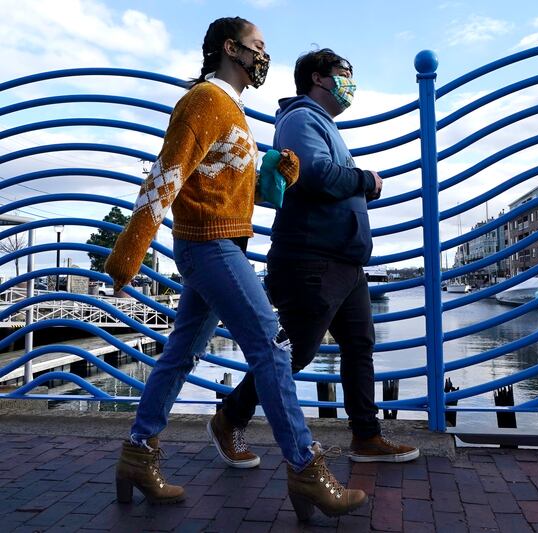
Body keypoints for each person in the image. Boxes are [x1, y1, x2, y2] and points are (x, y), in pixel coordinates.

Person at [104, 18, 367, 520]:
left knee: (181, 353)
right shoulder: (205, 101)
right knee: (273, 345)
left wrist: (275, 178)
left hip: (220, 244)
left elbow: (230, 193)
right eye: (258, 47)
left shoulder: (232, 110)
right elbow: (168, 173)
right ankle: (305, 468)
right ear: (231, 49)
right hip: (209, 247)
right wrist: (129, 251)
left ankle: (138, 453)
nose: (264, 57)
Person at [208, 48, 419, 467]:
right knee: (297, 350)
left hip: (344, 262)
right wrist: (366, 180)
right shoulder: (301, 119)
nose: (350, 82)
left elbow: (328, 180)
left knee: (360, 346)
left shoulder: (323, 125)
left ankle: (366, 436)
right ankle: (229, 418)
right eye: (345, 73)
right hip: (312, 258)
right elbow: (316, 174)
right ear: (319, 79)